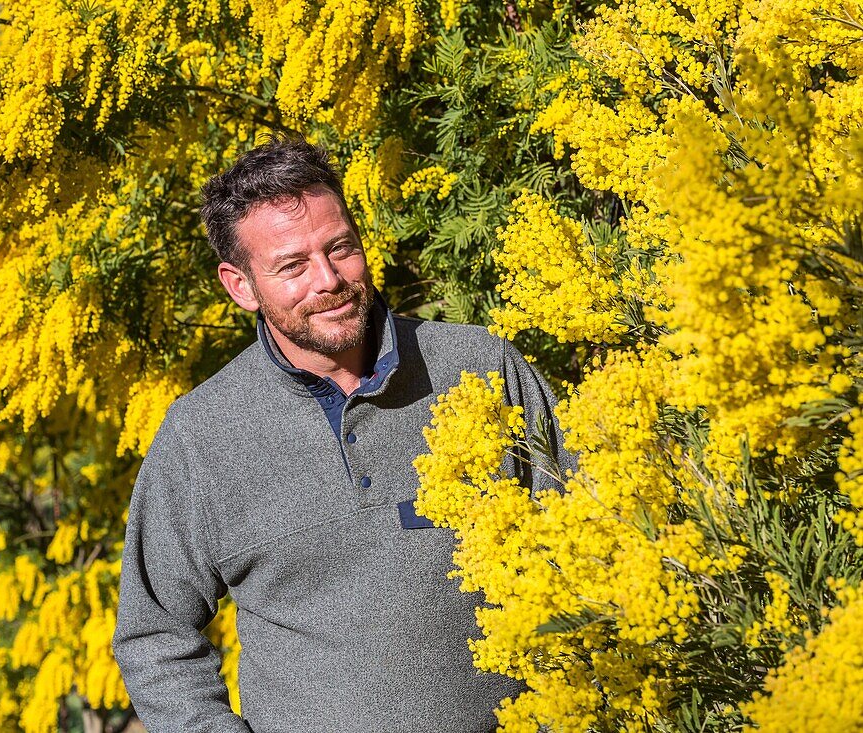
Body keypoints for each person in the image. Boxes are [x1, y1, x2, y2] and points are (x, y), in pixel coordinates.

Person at [111, 138, 577, 733]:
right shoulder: (202, 436)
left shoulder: (480, 368)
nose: (328, 279)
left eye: (341, 249)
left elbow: (587, 531)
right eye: (292, 265)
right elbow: (155, 634)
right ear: (241, 286)